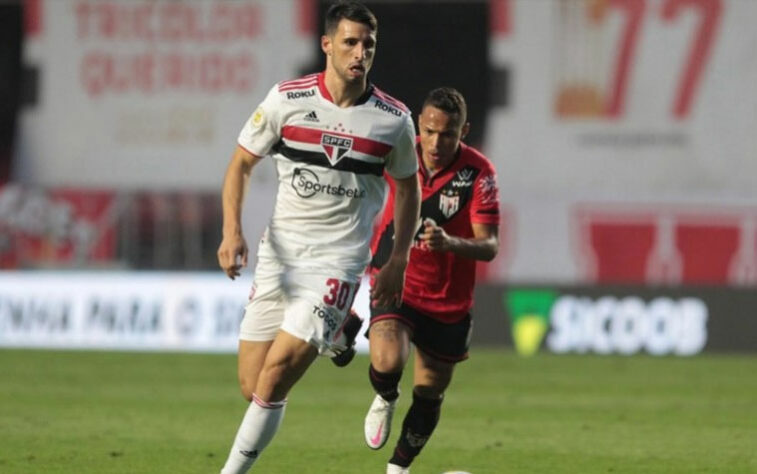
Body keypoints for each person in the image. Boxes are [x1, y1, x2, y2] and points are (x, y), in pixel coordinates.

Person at [215, 2, 421, 472]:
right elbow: (241, 163)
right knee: (253, 386)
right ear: (327, 45)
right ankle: (342, 332)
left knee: (275, 378)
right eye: (350, 42)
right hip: (279, 257)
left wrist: (397, 260)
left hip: (338, 262)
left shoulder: (393, 120)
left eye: (368, 44)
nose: (360, 53)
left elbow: (409, 189)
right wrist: (232, 230)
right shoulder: (287, 100)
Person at [364, 87, 501, 474]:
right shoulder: (397, 149)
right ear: (417, 127)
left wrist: (449, 242)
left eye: (448, 134)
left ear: (464, 131)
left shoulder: (479, 173)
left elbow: (489, 245)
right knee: (389, 359)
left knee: (429, 393)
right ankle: (386, 395)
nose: (436, 143)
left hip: (448, 301)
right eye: (429, 131)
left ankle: (398, 469)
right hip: (396, 278)